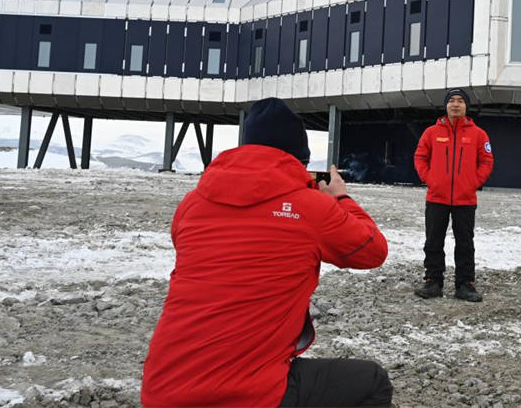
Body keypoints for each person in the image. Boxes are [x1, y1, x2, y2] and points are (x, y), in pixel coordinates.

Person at [141, 98, 392, 407]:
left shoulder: (192, 204)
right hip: (246, 394)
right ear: (298, 156)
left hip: (163, 389)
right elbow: (373, 251)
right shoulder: (312, 207)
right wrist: (340, 197)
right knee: (372, 383)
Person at [413, 88, 494, 302]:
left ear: (466, 107)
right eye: (451, 101)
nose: (455, 104)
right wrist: (430, 179)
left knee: (465, 242)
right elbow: (420, 157)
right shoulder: (431, 132)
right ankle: (433, 281)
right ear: (446, 106)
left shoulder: (479, 134)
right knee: (433, 241)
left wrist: (473, 183)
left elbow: (486, 161)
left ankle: (465, 284)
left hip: (465, 199)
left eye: (460, 101)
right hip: (436, 198)